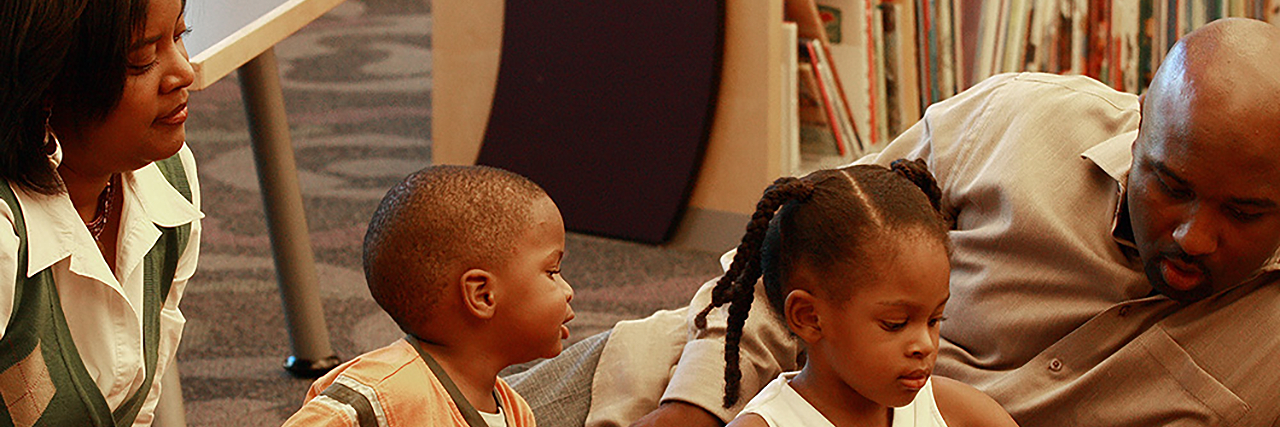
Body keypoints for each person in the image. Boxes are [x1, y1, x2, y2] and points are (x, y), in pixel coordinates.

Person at [509, 18, 1280, 427]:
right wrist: (692, 404)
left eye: (1245, 212)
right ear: (1139, 127)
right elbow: (807, 251)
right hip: (745, 367)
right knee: (440, 396)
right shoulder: (1015, 123)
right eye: (1171, 186)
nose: (1194, 236)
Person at [696, 160, 1017, 427]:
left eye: (934, 319)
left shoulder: (959, 413)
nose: (926, 345)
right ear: (809, 317)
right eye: (895, 323)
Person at [0, 0, 201, 425]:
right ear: (48, 82)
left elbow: (137, 406)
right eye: (142, 60)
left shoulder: (166, 177)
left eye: (180, 36)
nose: (185, 72)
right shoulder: (4, 230)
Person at [282, 165, 576, 427]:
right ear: (483, 295)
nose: (568, 291)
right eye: (552, 271)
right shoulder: (381, 397)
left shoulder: (515, 411)